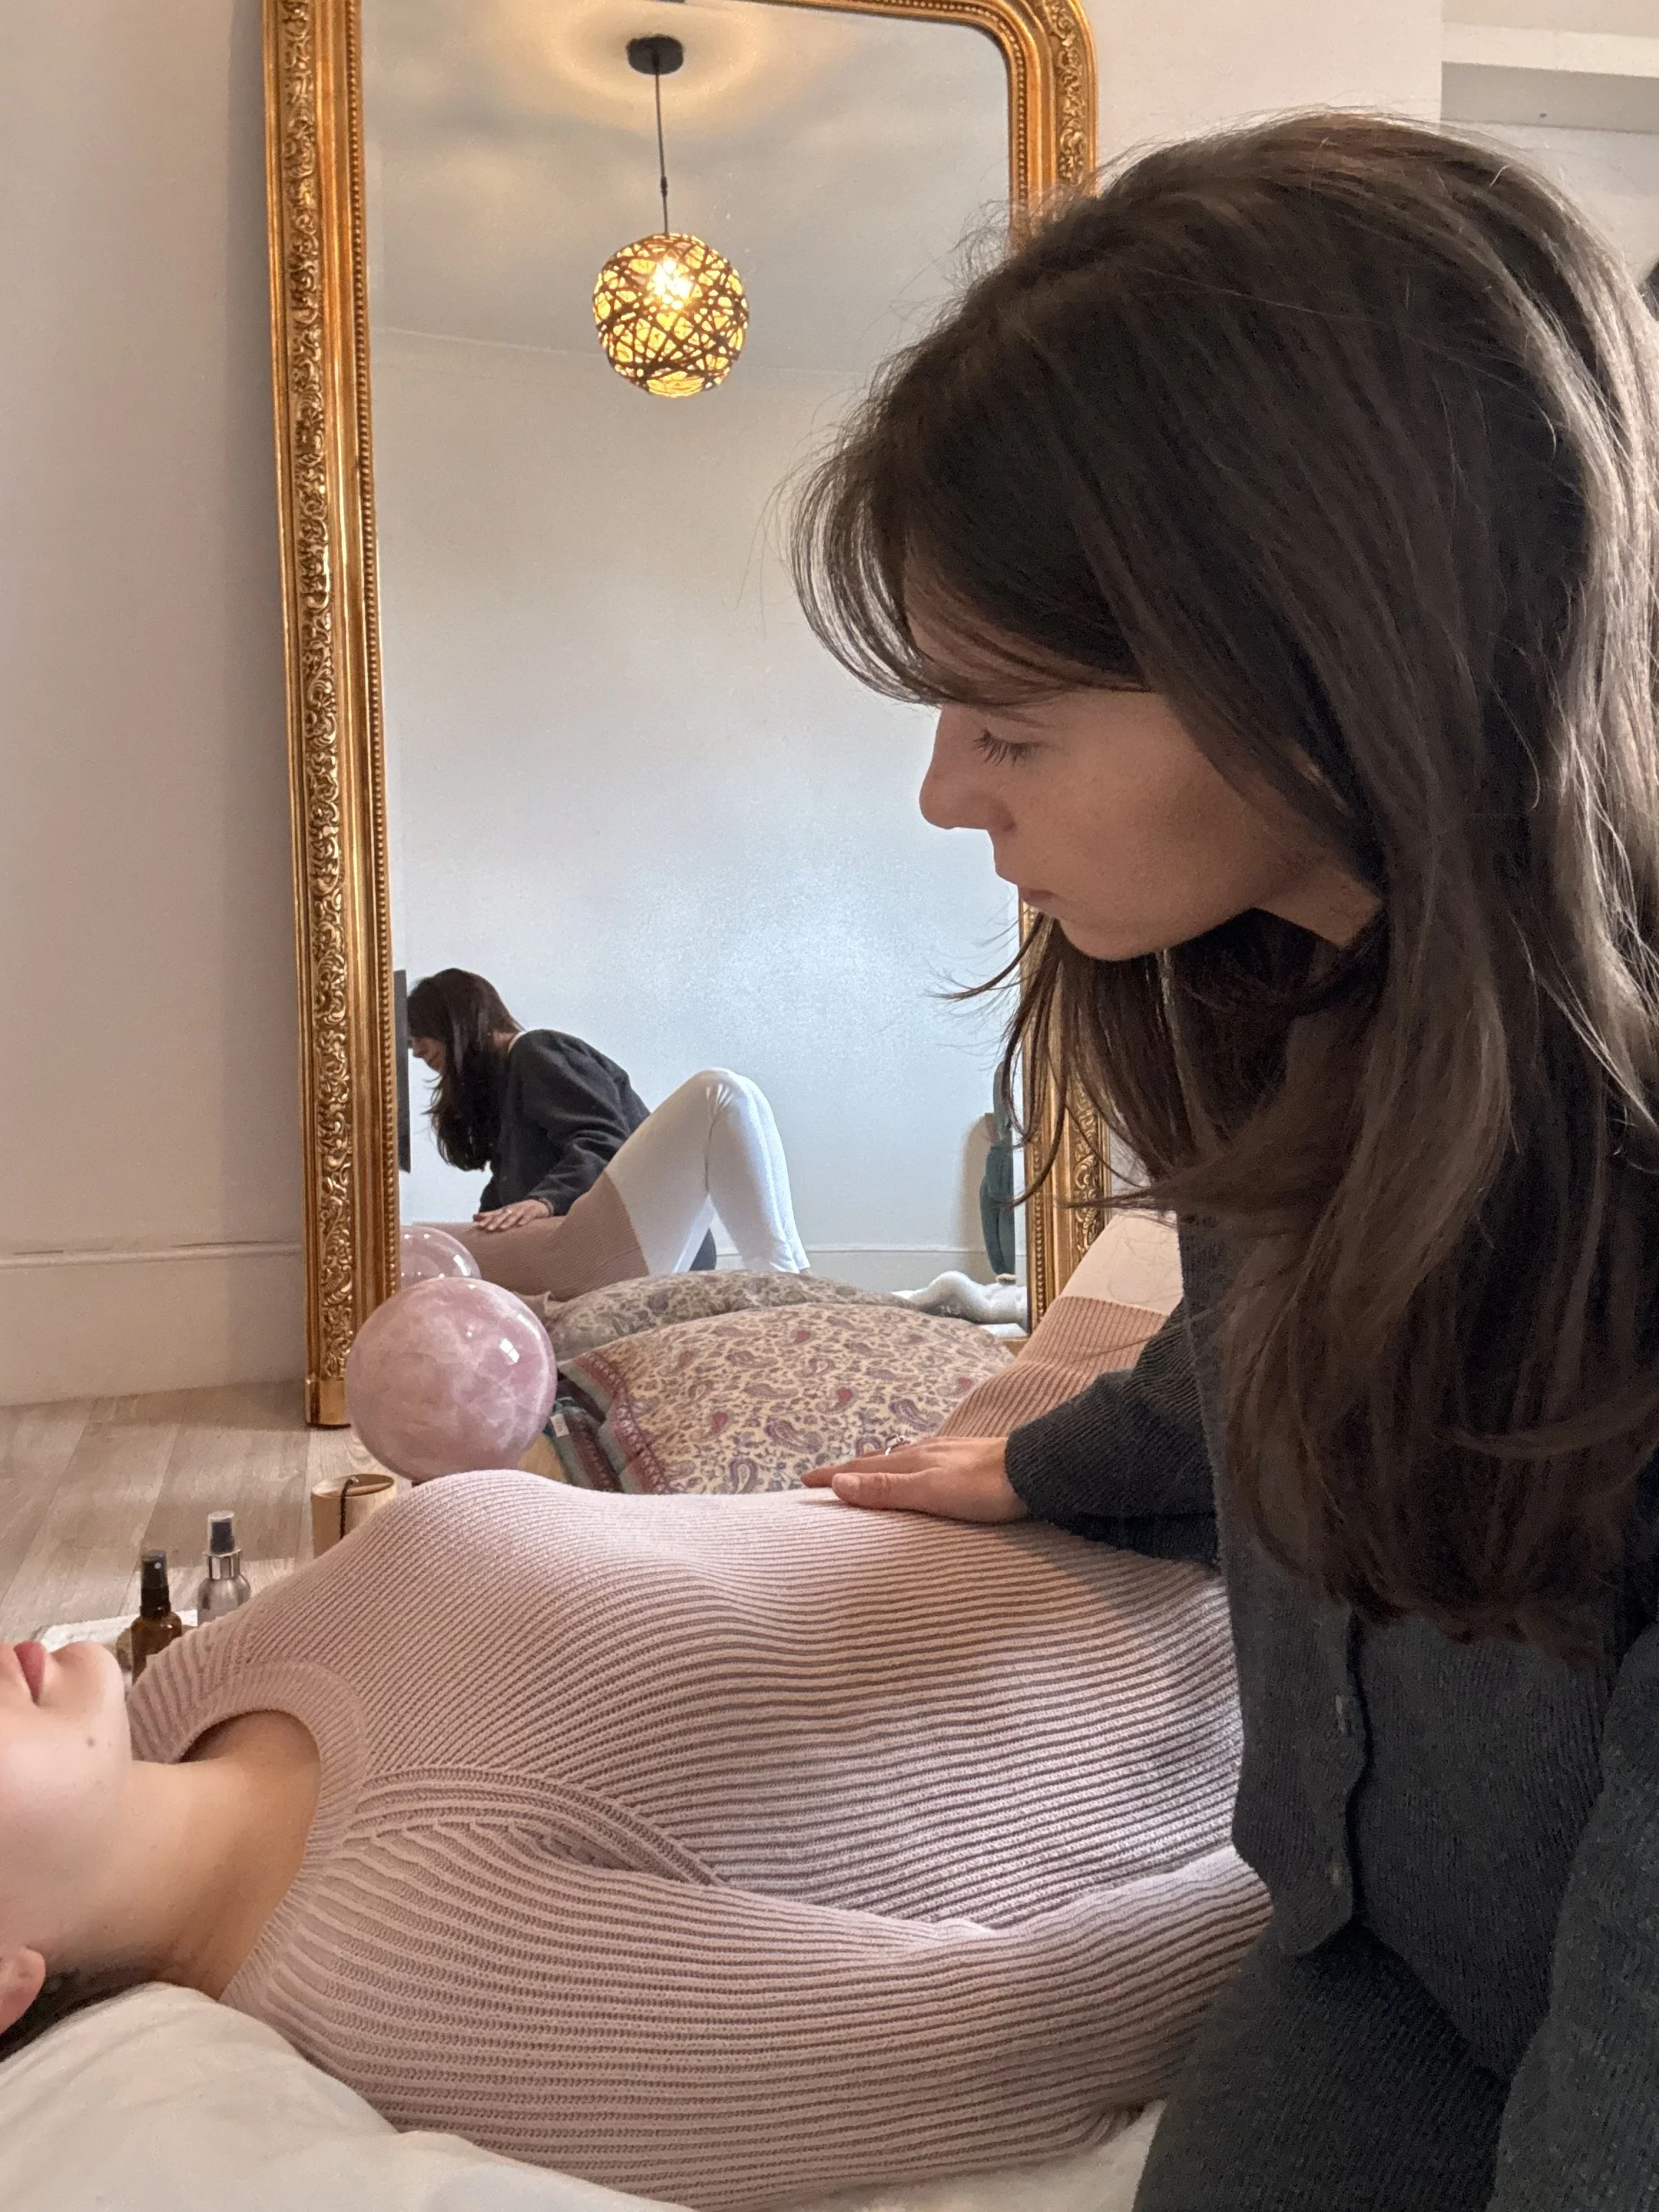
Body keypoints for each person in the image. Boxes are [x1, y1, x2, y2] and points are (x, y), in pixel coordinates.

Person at [793, 114, 1659, 2211]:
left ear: (1327, 667)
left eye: (1006, 724)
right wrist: (1041, 1458)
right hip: (1364, 1959)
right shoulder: (1311, 1010)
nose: (940, 795)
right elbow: (1251, 1331)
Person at [0, 1475, 1264, 2207]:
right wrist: (1353, 1797)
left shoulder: (199, 1683)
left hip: (1212, 1487)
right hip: (1321, 1664)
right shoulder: (411, 1967)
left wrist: (1074, 1451)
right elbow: (1014, 2032)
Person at [405, 968, 806, 1294]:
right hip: (598, 1247)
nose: (421, 1057)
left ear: (454, 1025)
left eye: (424, 1047)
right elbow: (507, 1185)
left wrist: (546, 1200)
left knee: (720, 1091)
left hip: (613, 1235)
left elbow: (602, 1138)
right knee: (411, 1248)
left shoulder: (536, 1051)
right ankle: (782, 1274)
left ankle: (783, 1276)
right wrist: (498, 1216)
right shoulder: (505, 1093)